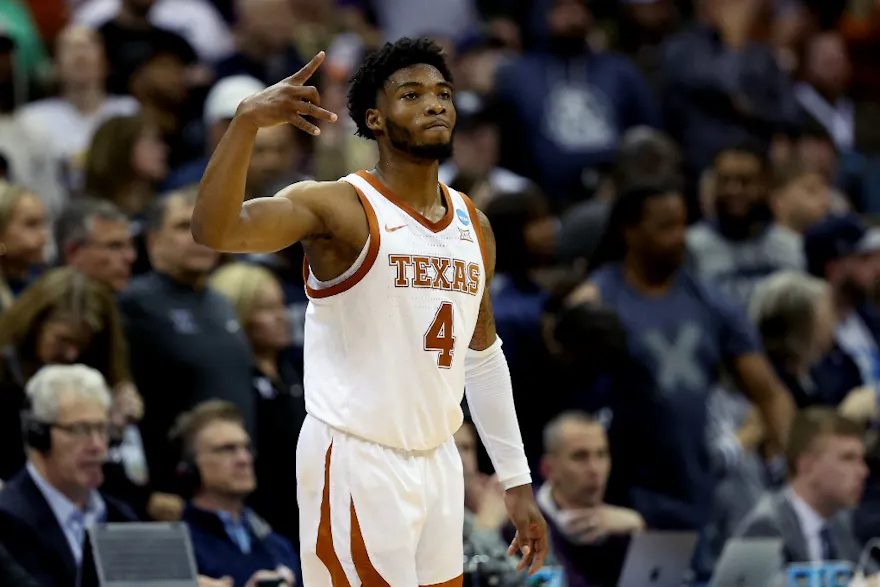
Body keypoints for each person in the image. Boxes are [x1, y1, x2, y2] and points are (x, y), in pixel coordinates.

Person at [193, 37, 548, 586]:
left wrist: (516, 482)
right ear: (375, 119)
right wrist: (244, 124)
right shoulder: (339, 205)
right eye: (412, 94)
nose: (435, 104)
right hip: (357, 458)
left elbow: (481, 359)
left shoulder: (472, 224)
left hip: (438, 462)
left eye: (443, 93)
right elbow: (217, 230)